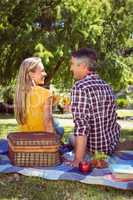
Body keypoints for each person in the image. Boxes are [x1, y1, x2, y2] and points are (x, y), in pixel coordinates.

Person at [67, 48, 121, 167]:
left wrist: (78, 159)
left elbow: (82, 126)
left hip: (94, 149)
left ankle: (84, 154)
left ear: (83, 66)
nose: (71, 68)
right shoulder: (106, 86)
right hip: (110, 146)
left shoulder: (80, 87)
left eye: (72, 64)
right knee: (72, 137)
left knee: (70, 137)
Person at [14, 57, 64, 138]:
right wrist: (53, 145)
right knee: (59, 127)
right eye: (42, 71)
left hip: (25, 142)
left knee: (56, 122)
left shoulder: (19, 95)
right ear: (31, 74)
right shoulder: (46, 93)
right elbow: (48, 124)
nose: (45, 74)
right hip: (41, 142)